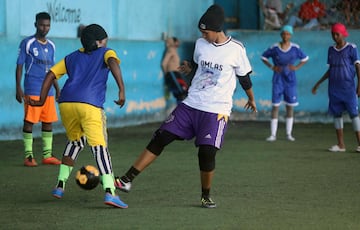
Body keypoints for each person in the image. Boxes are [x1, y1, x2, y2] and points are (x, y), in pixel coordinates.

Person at [114, 4, 257, 208]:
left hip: (216, 110)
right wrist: (189, 67)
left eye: (206, 32)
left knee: (206, 153)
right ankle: (126, 180)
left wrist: (251, 98)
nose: (203, 35)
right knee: (161, 136)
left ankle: (205, 195)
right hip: (191, 104)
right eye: (201, 32)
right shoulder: (201, 43)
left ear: (217, 29)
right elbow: (198, 63)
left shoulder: (236, 49)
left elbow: (244, 77)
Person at [28, 24, 128, 208]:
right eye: (104, 40)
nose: (106, 43)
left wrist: (42, 99)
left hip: (66, 103)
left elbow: (51, 74)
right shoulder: (106, 52)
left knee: (75, 142)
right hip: (89, 105)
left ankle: (59, 186)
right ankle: (109, 192)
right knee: (99, 148)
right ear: (99, 42)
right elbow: (113, 62)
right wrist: (122, 89)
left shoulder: (72, 57)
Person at [15, 12, 61, 167]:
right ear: (36, 24)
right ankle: (28, 156)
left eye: (47, 25)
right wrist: (18, 88)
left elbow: (52, 70)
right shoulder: (27, 43)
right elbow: (20, 66)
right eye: (42, 25)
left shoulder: (52, 45)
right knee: (29, 121)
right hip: (33, 88)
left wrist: (57, 87)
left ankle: (47, 155)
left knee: (48, 122)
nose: (45, 28)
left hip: (48, 90)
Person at [312, 23, 360, 152]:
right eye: (333, 34)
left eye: (337, 34)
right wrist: (318, 83)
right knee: (337, 115)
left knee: (354, 114)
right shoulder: (331, 50)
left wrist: (359, 84)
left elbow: (357, 67)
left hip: (348, 88)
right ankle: (341, 145)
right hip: (334, 88)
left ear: (343, 34)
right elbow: (331, 70)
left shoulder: (352, 48)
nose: (335, 36)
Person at [261, 25, 308, 142]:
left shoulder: (295, 48)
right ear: (281, 35)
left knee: (290, 107)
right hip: (278, 79)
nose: (285, 36)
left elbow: (305, 58)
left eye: (288, 34)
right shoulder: (275, 48)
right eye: (284, 34)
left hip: (290, 80)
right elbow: (263, 57)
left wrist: (296, 67)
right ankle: (273, 135)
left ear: (291, 35)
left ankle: (288, 134)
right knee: (275, 106)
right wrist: (272, 67)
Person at [161, 37, 188, 102]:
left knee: (183, 91)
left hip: (176, 73)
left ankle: (180, 109)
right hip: (172, 73)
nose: (178, 43)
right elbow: (164, 63)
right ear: (173, 42)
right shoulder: (171, 50)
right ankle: (180, 110)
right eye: (177, 42)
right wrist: (166, 73)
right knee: (181, 91)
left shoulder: (174, 50)